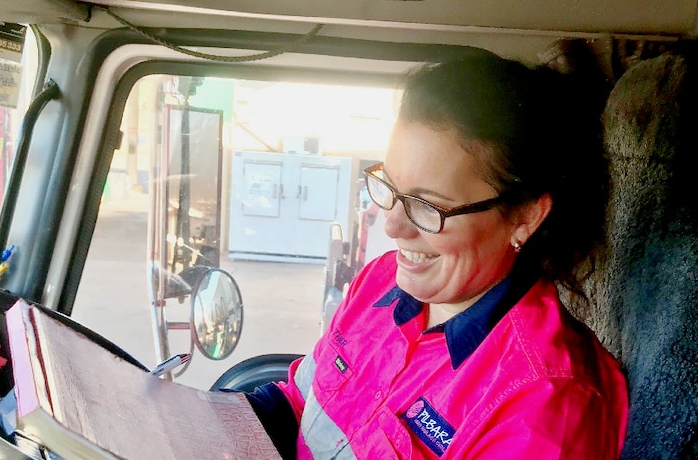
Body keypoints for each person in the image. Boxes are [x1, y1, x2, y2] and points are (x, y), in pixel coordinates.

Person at [245, 55, 629, 459]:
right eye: (389, 187)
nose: (392, 227)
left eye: (428, 207)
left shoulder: (545, 405)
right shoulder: (379, 282)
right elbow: (300, 401)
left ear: (524, 217)